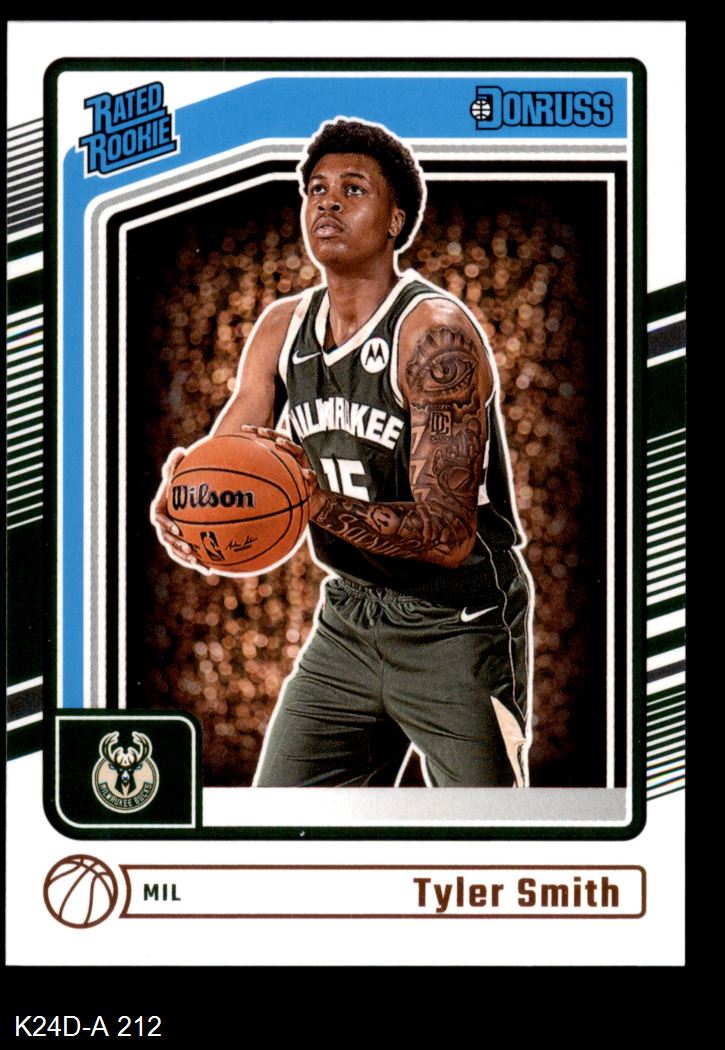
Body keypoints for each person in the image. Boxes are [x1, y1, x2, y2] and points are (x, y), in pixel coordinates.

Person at [152, 117, 533, 788]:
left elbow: (447, 535)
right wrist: (188, 493)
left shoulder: (434, 335)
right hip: (349, 619)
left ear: (395, 221)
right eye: (316, 190)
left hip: (457, 623)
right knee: (280, 822)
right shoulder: (281, 328)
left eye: (353, 189)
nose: (327, 203)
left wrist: (312, 503)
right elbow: (230, 454)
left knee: (487, 830)